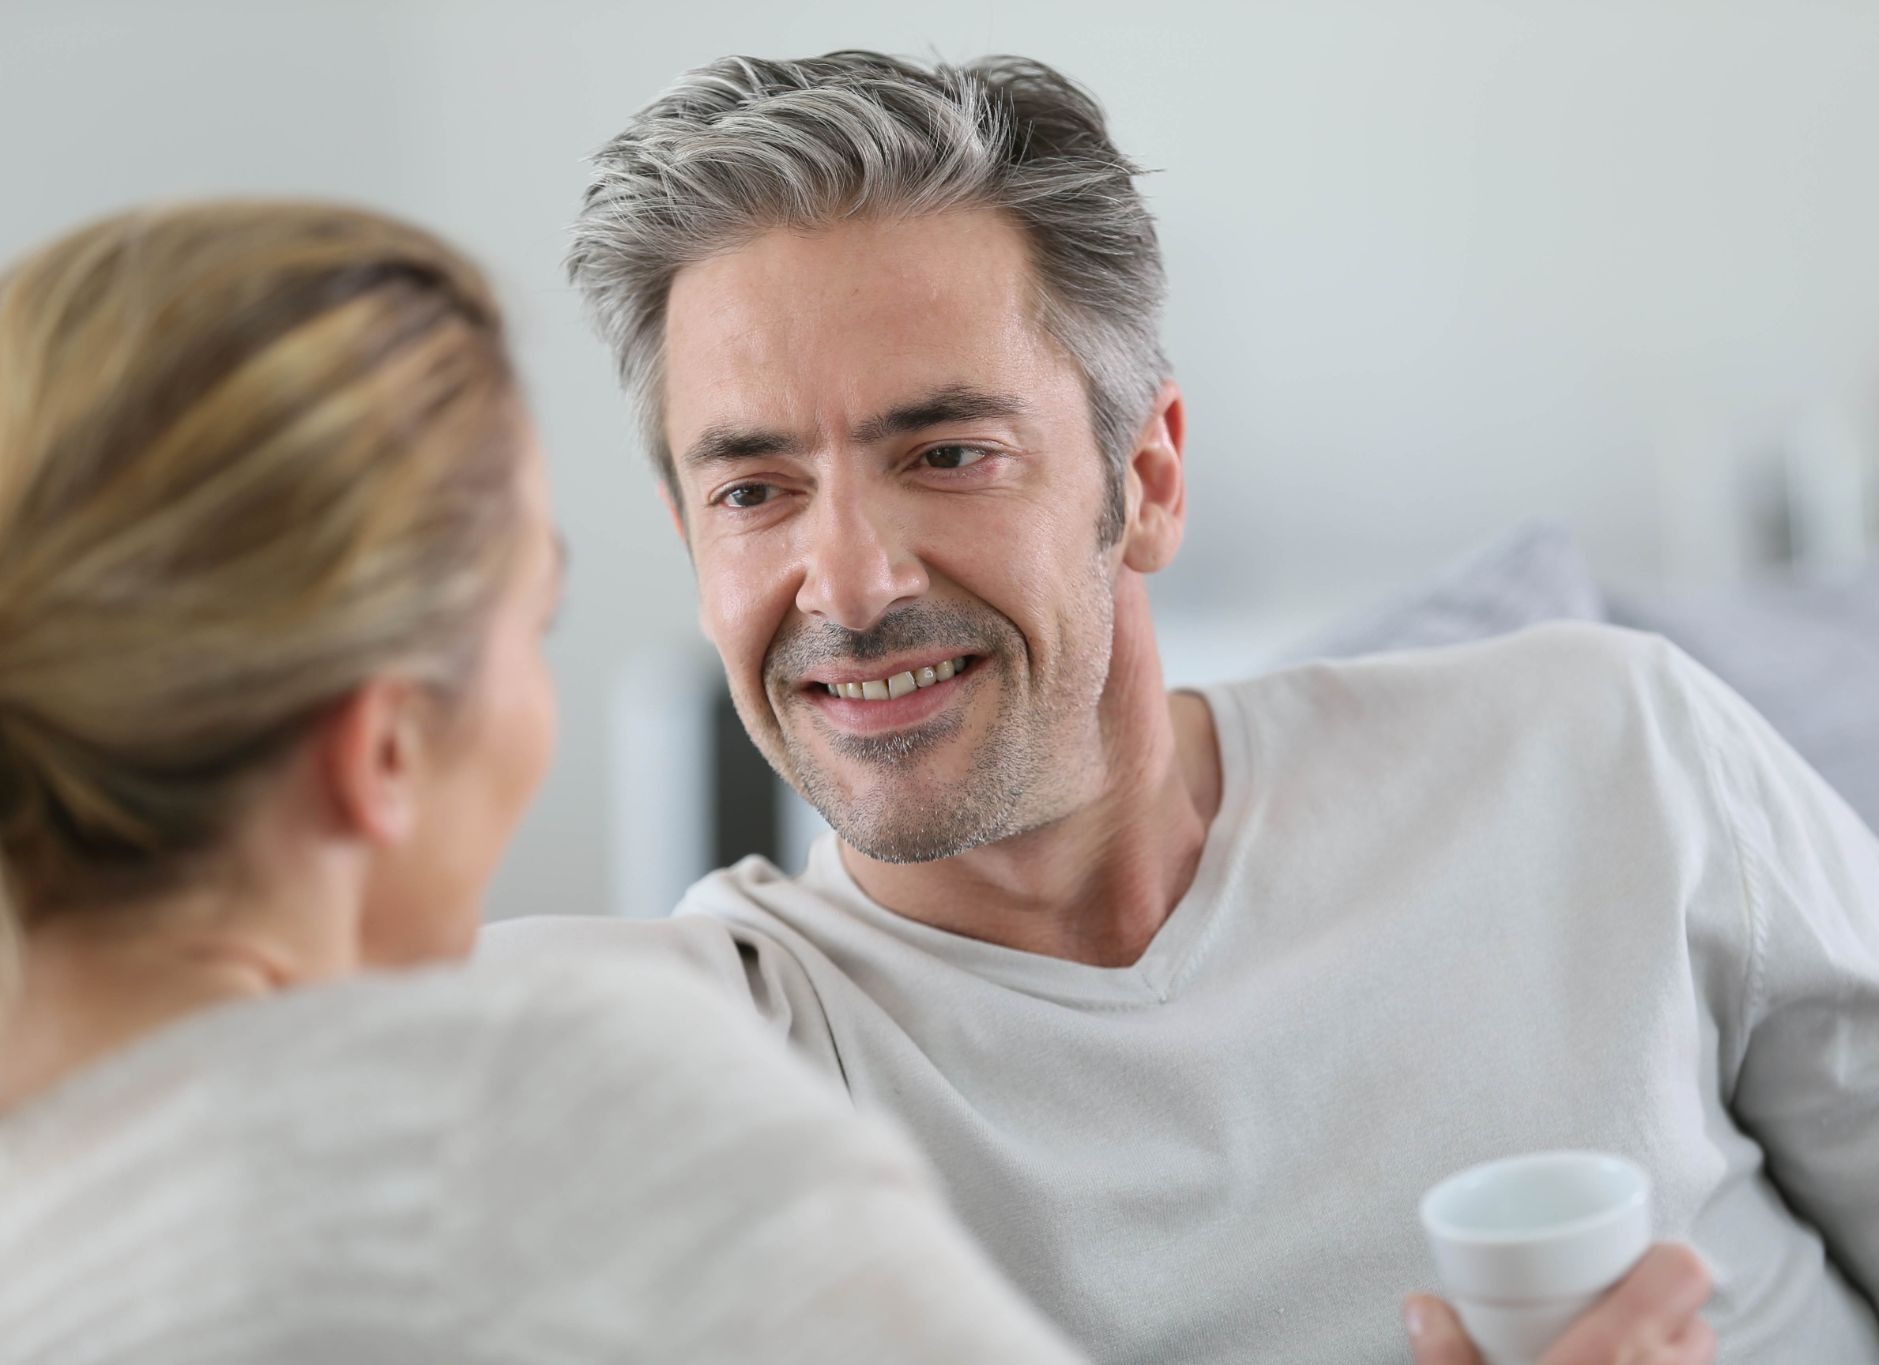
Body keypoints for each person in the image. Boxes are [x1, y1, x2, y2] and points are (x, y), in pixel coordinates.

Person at [487, 50, 1879, 1365]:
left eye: (948, 453)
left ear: (1146, 478)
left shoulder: (1599, 747)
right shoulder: (716, 1069)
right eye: (755, 488)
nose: (844, 579)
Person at [0, 201, 1085, 1364]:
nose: (851, 585)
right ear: (384, 752)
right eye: (535, 625)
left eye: (946, 456)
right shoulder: (543, 1109)